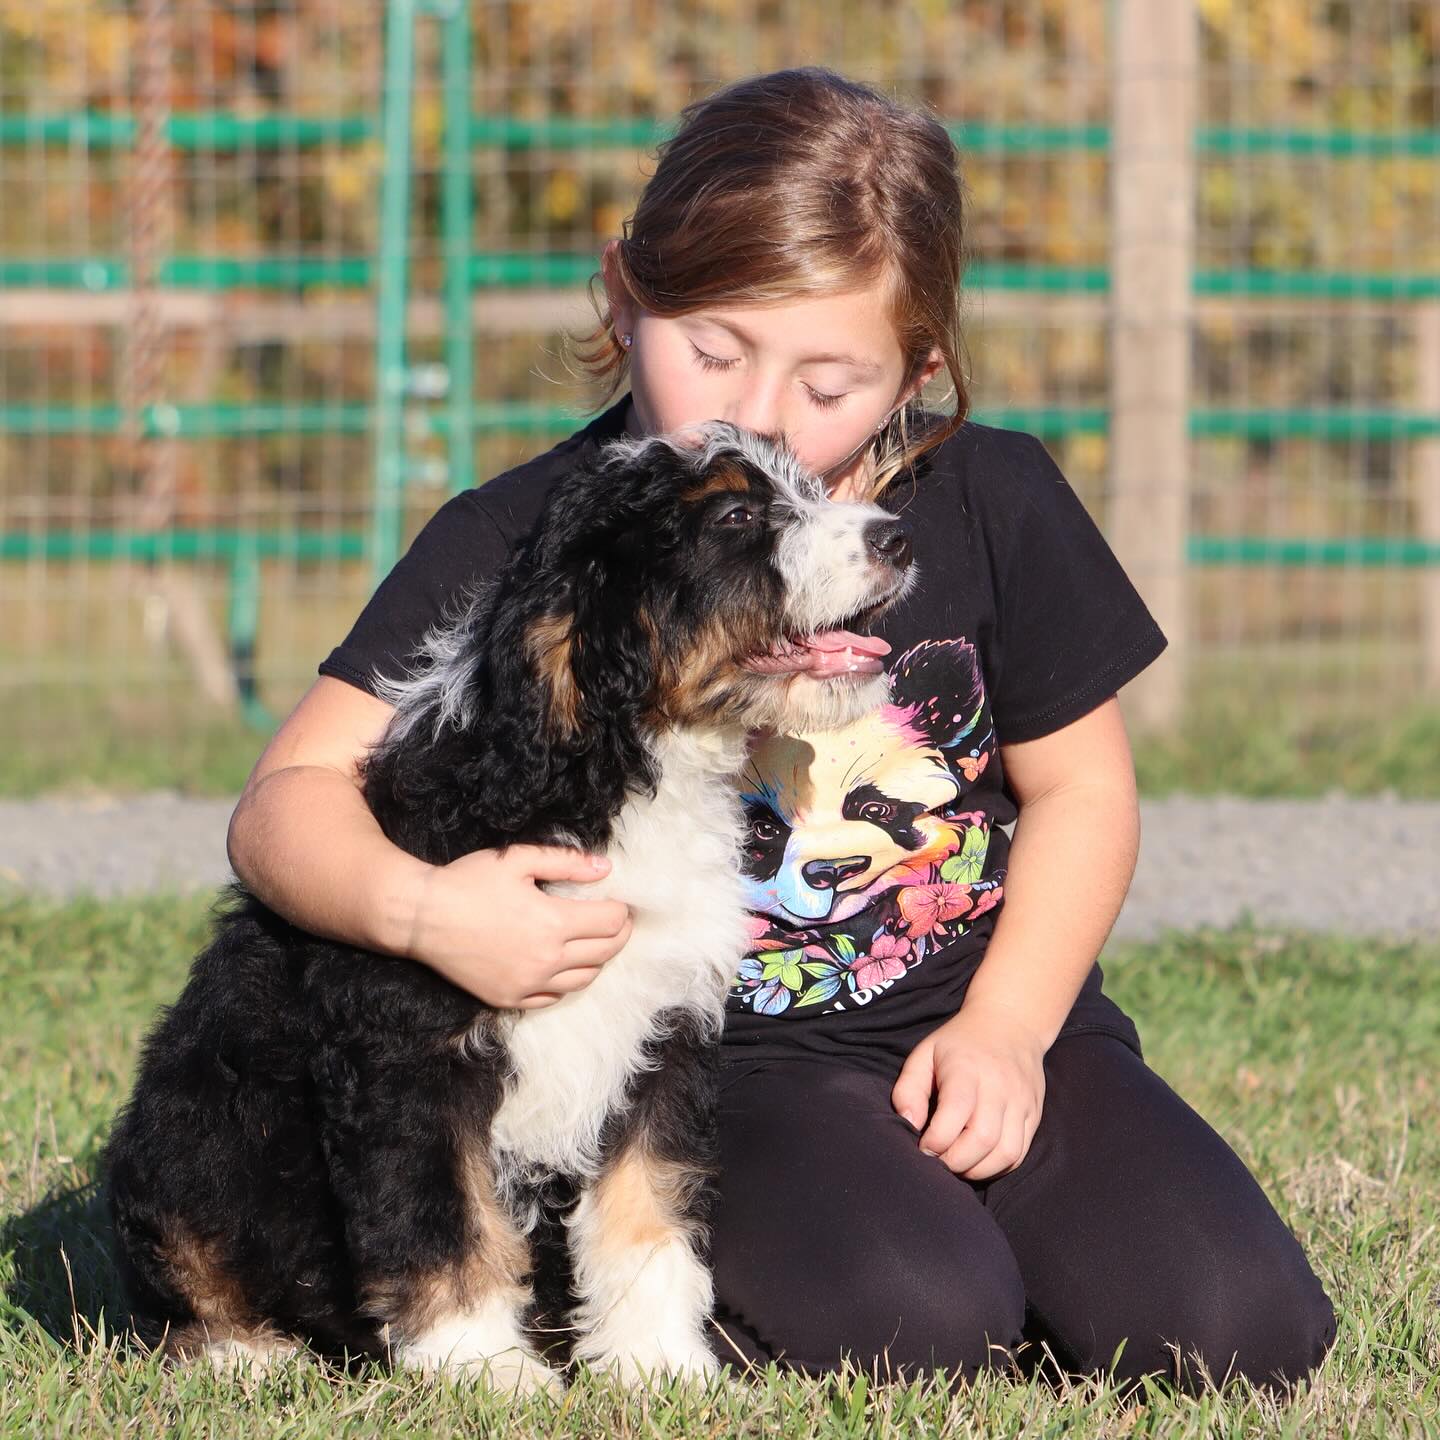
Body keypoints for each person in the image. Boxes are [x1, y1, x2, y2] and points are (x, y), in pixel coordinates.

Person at [227, 66, 1337, 1400]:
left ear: (918, 366)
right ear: (625, 297)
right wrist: (420, 913)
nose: (760, 413)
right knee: (919, 1324)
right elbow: (286, 794)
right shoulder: (534, 540)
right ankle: (728, 1286)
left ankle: (1001, 1241)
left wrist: (1007, 1030)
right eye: (714, 351)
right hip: (735, 1067)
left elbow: (1086, 792)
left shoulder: (995, 498)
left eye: (830, 380)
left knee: (1234, 1330)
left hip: (983, 1011)